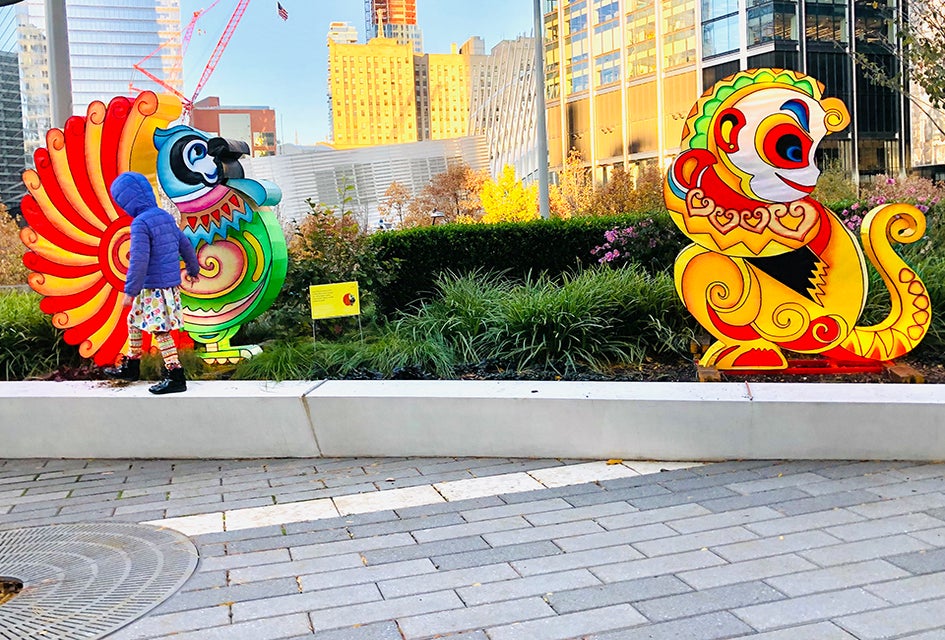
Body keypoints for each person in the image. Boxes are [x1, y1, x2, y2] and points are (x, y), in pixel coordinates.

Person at [104, 171, 200, 394]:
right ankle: (132, 365)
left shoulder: (140, 223)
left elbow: (138, 260)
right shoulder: (164, 217)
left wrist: (130, 291)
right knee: (134, 321)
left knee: (161, 331)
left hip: (154, 289)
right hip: (163, 287)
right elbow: (184, 244)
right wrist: (193, 269)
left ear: (127, 201)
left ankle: (175, 375)